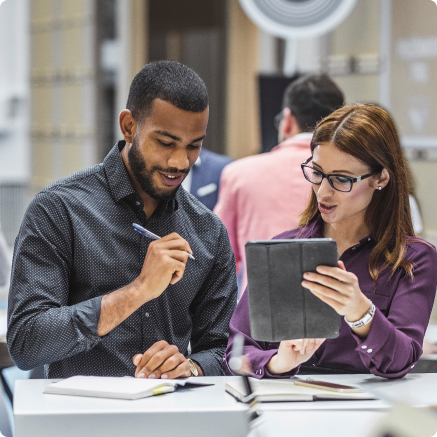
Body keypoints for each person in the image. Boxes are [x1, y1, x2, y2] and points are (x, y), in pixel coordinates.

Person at [7, 61, 237, 379]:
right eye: (166, 143)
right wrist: (139, 290)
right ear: (129, 126)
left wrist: (191, 367)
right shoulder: (58, 209)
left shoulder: (208, 232)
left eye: (193, 146)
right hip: (80, 422)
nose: (180, 162)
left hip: (172, 422)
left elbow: (225, 350)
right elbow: (27, 343)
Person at [223, 103, 437, 379]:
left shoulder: (412, 258)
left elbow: (400, 362)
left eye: (341, 180)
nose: (323, 191)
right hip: (286, 407)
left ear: (381, 177)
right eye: (317, 172)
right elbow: (236, 354)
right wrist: (279, 362)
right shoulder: (282, 248)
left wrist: (361, 312)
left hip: (365, 412)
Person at [214, 74, 344, 292]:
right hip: (340, 311)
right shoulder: (352, 179)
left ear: (287, 120)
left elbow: (220, 259)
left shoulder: (238, 174)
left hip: (259, 314)